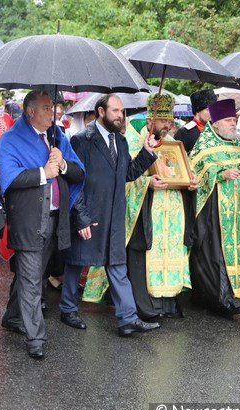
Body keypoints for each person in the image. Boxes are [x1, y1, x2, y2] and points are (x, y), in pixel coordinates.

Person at [61, 94, 160, 336]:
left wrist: (147, 153)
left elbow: (128, 173)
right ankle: (67, 308)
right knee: (77, 261)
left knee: (117, 265)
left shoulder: (121, 141)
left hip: (114, 215)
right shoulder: (81, 140)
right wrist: (80, 216)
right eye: (115, 110)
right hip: (90, 214)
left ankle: (127, 319)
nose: (121, 115)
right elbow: (75, 181)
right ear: (101, 112)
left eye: (122, 111)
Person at [0, 90, 85, 358]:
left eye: (53, 107)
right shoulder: (11, 139)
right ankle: (36, 338)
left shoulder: (58, 136)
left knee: (33, 274)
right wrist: (42, 173)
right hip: (28, 218)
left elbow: (79, 171)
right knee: (33, 280)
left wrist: (63, 165)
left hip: (55, 218)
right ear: (30, 111)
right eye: (47, 108)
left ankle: (12, 317)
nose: (53, 112)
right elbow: (9, 179)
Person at [124, 93, 197, 320]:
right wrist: (147, 183)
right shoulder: (132, 143)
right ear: (149, 121)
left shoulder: (175, 145)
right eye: (163, 120)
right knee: (148, 257)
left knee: (170, 255)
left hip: (173, 211)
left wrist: (191, 181)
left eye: (170, 121)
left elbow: (185, 171)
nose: (168, 125)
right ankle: (147, 306)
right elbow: (124, 179)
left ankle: (168, 305)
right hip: (148, 212)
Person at [188, 99, 240, 318]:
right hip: (213, 213)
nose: (232, 124)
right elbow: (195, 173)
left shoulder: (236, 144)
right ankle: (220, 299)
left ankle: (232, 294)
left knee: (233, 253)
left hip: (235, 212)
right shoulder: (204, 145)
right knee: (216, 256)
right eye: (229, 120)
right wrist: (221, 174)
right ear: (216, 122)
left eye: (234, 120)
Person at [174, 89, 217, 153]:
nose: (212, 112)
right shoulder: (184, 132)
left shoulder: (215, 130)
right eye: (208, 110)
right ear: (197, 111)